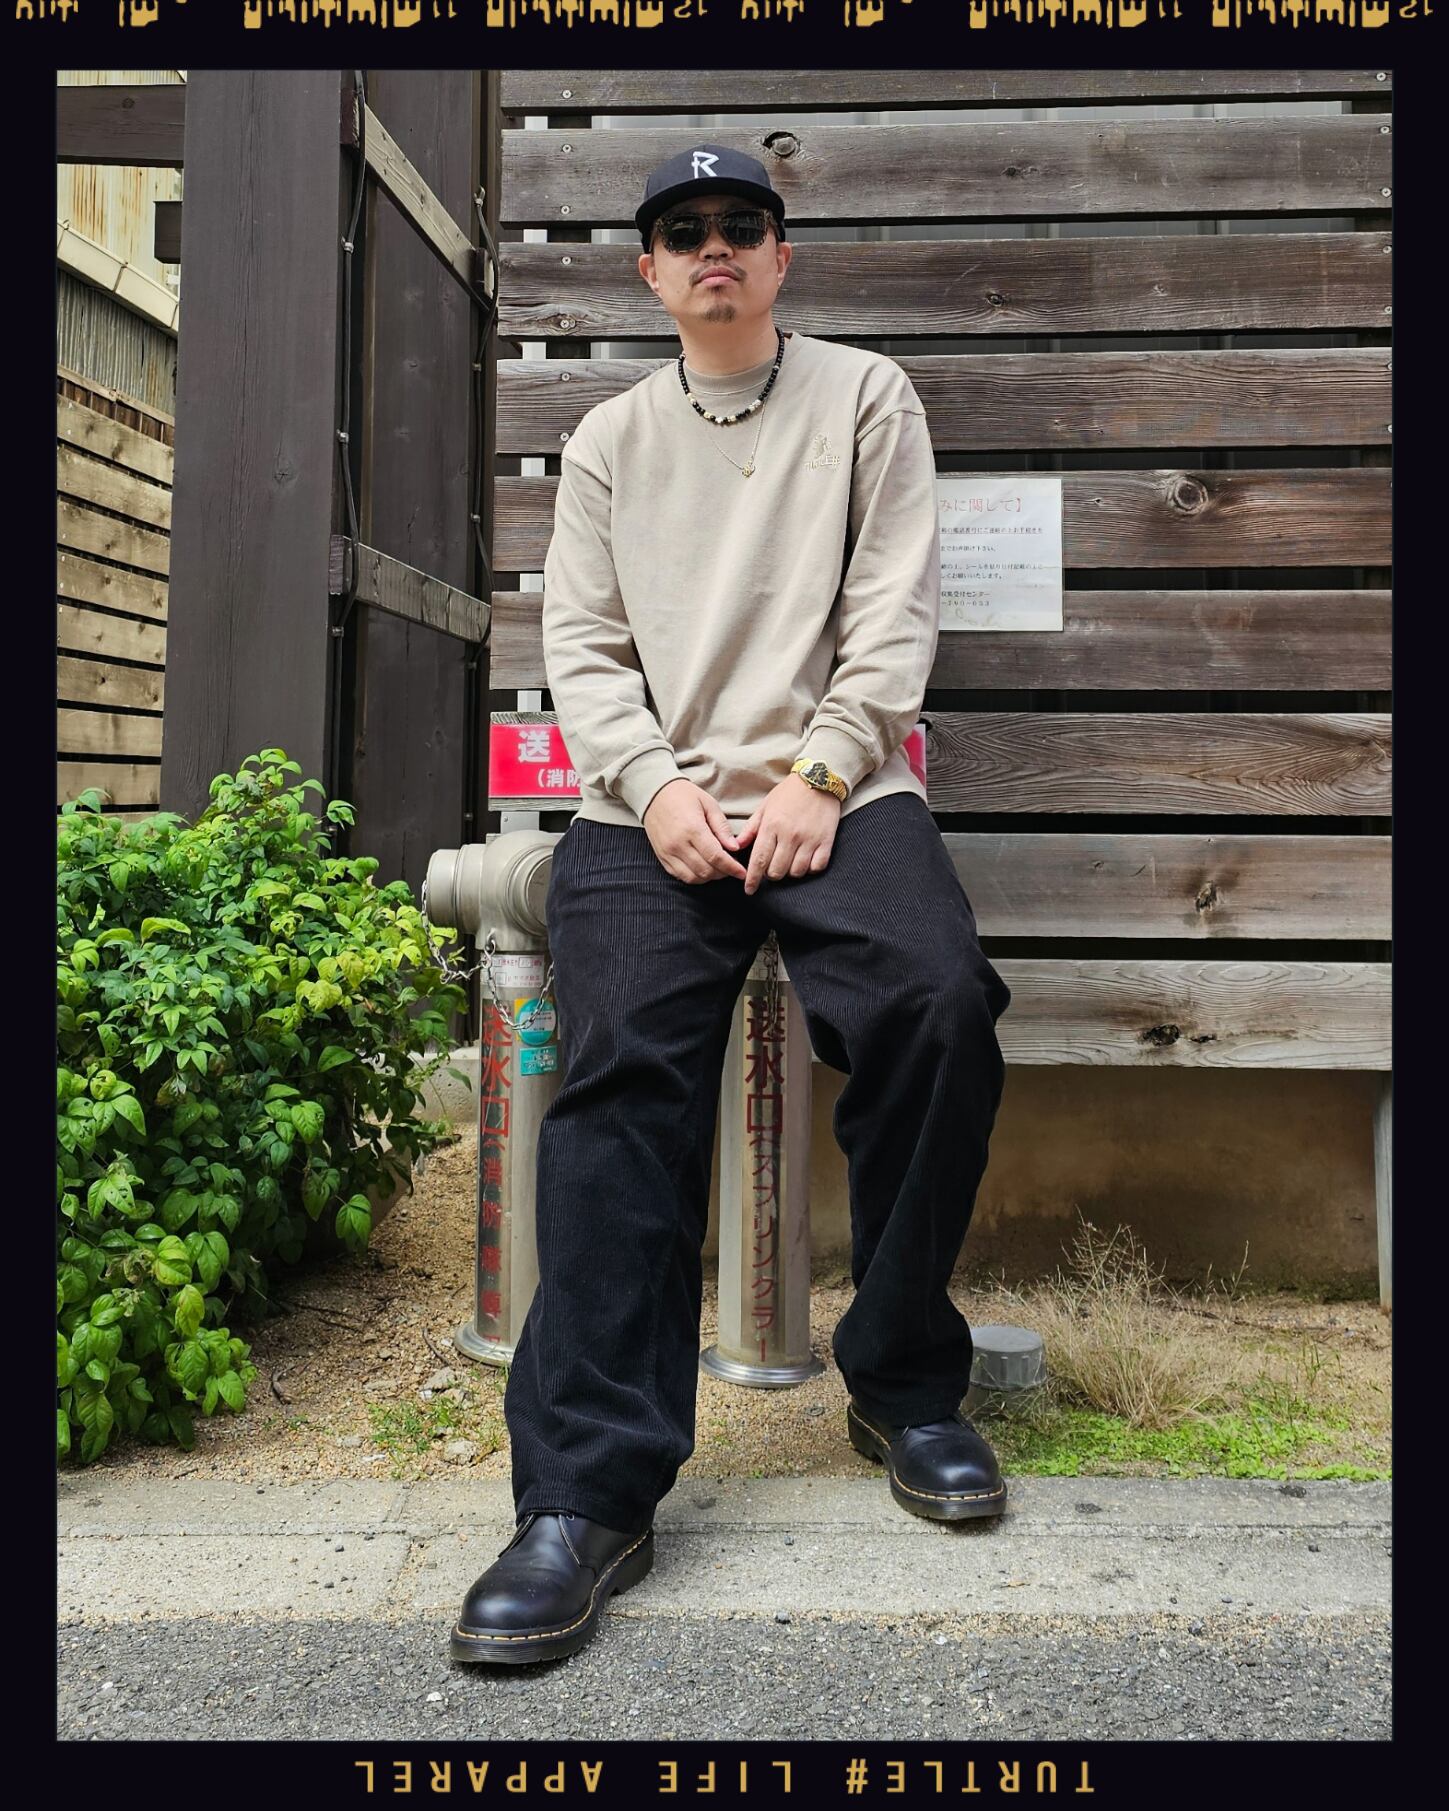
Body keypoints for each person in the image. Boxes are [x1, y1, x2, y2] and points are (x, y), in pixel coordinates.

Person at [452, 146, 1013, 1667]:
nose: (715, 248)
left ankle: (904, 1382)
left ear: (779, 256)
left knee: (937, 1008)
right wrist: (653, 787)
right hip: (651, 810)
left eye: (741, 227)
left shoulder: (866, 398)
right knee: (620, 1066)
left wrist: (823, 773)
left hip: (842, 792)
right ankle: (585, 1494)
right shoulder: (609, 439)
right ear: (648, 270)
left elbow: (893, 608)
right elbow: (582, 644)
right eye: (683, 231)